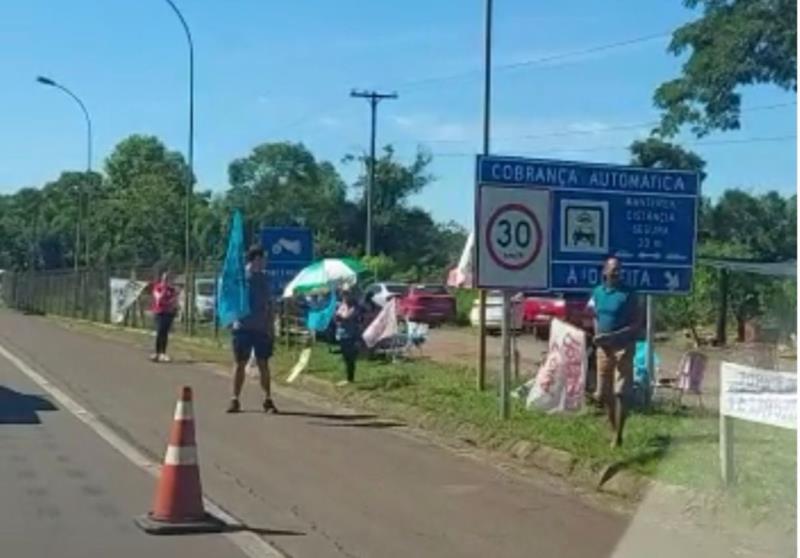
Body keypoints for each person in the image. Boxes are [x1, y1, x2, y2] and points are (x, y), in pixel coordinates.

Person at [589, 257, 643, 447]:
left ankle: (618, 435)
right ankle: (613, 428)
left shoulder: (629, 294)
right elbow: (594, 315)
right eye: (613, 270)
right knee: (603, 393)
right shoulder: (597, 292)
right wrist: (598, 335)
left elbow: (637, 323)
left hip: (623, 346)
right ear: (605, 272)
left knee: (620, 391)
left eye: (619, 270)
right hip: (603, 347)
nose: (616, 273)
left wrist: (615, 335)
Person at [227, 245, 277, 414]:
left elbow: (270, 305)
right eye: (263, 259)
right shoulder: (241, 278)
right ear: (256, 259)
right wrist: (230, 319)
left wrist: (271, 326)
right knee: (240, 363)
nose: (265, 262)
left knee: (264, 364)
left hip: (261, 328)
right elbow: (231, 299)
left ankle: (267, 399)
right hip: (242, 327)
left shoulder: (265, 279)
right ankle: (235, 399)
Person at [150, 270, 179, 363]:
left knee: (165, 333)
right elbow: (159, 299)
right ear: (162, 279)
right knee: (160, 331)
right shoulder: (157, 287)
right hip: (159, 312)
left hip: (168, 313)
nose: (166, 280)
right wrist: (164, 290)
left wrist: (172, 304)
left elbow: (174, 301)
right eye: (165, 278)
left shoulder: (172, 290)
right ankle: (157, 353)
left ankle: (163, 353)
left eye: (168, 278)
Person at [334, 287, 361, 386]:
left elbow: (348, 317)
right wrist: (337, 317)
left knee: (350, 358)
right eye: (343, 294)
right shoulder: (342, 305)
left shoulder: (355, 307)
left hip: (351, 335)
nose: (344, 296)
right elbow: (337, 317)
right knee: (345, 357)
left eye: (346, 294)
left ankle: (350, 378)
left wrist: (340, 317)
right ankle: (348, 378)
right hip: (342, 333)